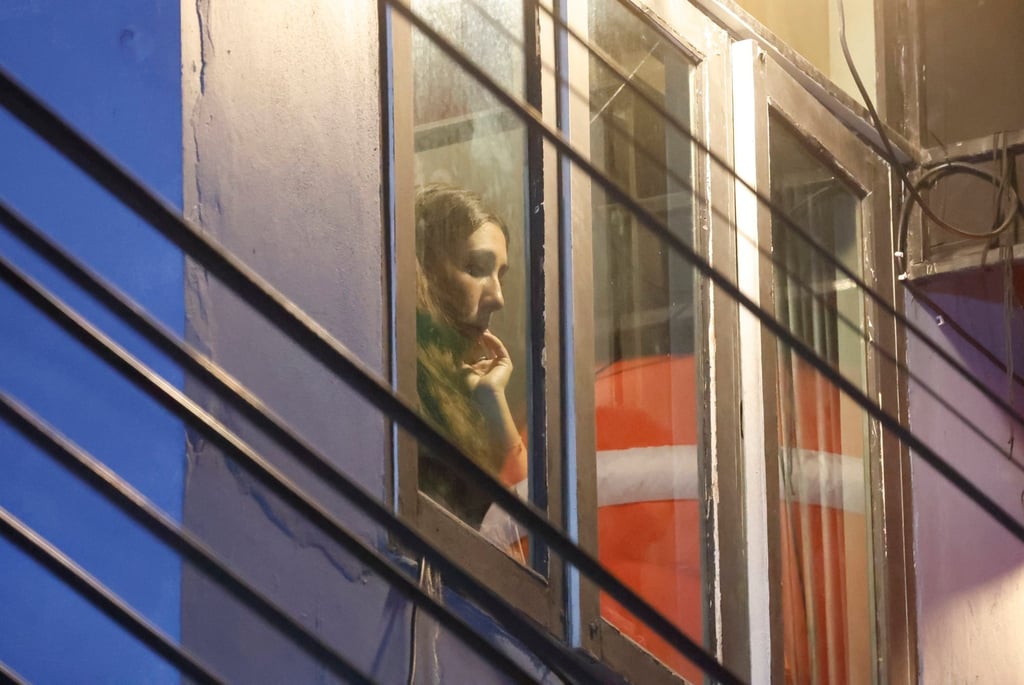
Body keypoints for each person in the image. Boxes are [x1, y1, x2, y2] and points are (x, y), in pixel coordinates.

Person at [415, 183, 527, 530]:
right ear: (425, 272)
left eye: (500, 275)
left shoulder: (461, 389)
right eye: (477, 269)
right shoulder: (402, 380)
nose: (497, 297)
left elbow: (526, 531)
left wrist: (491, 399)